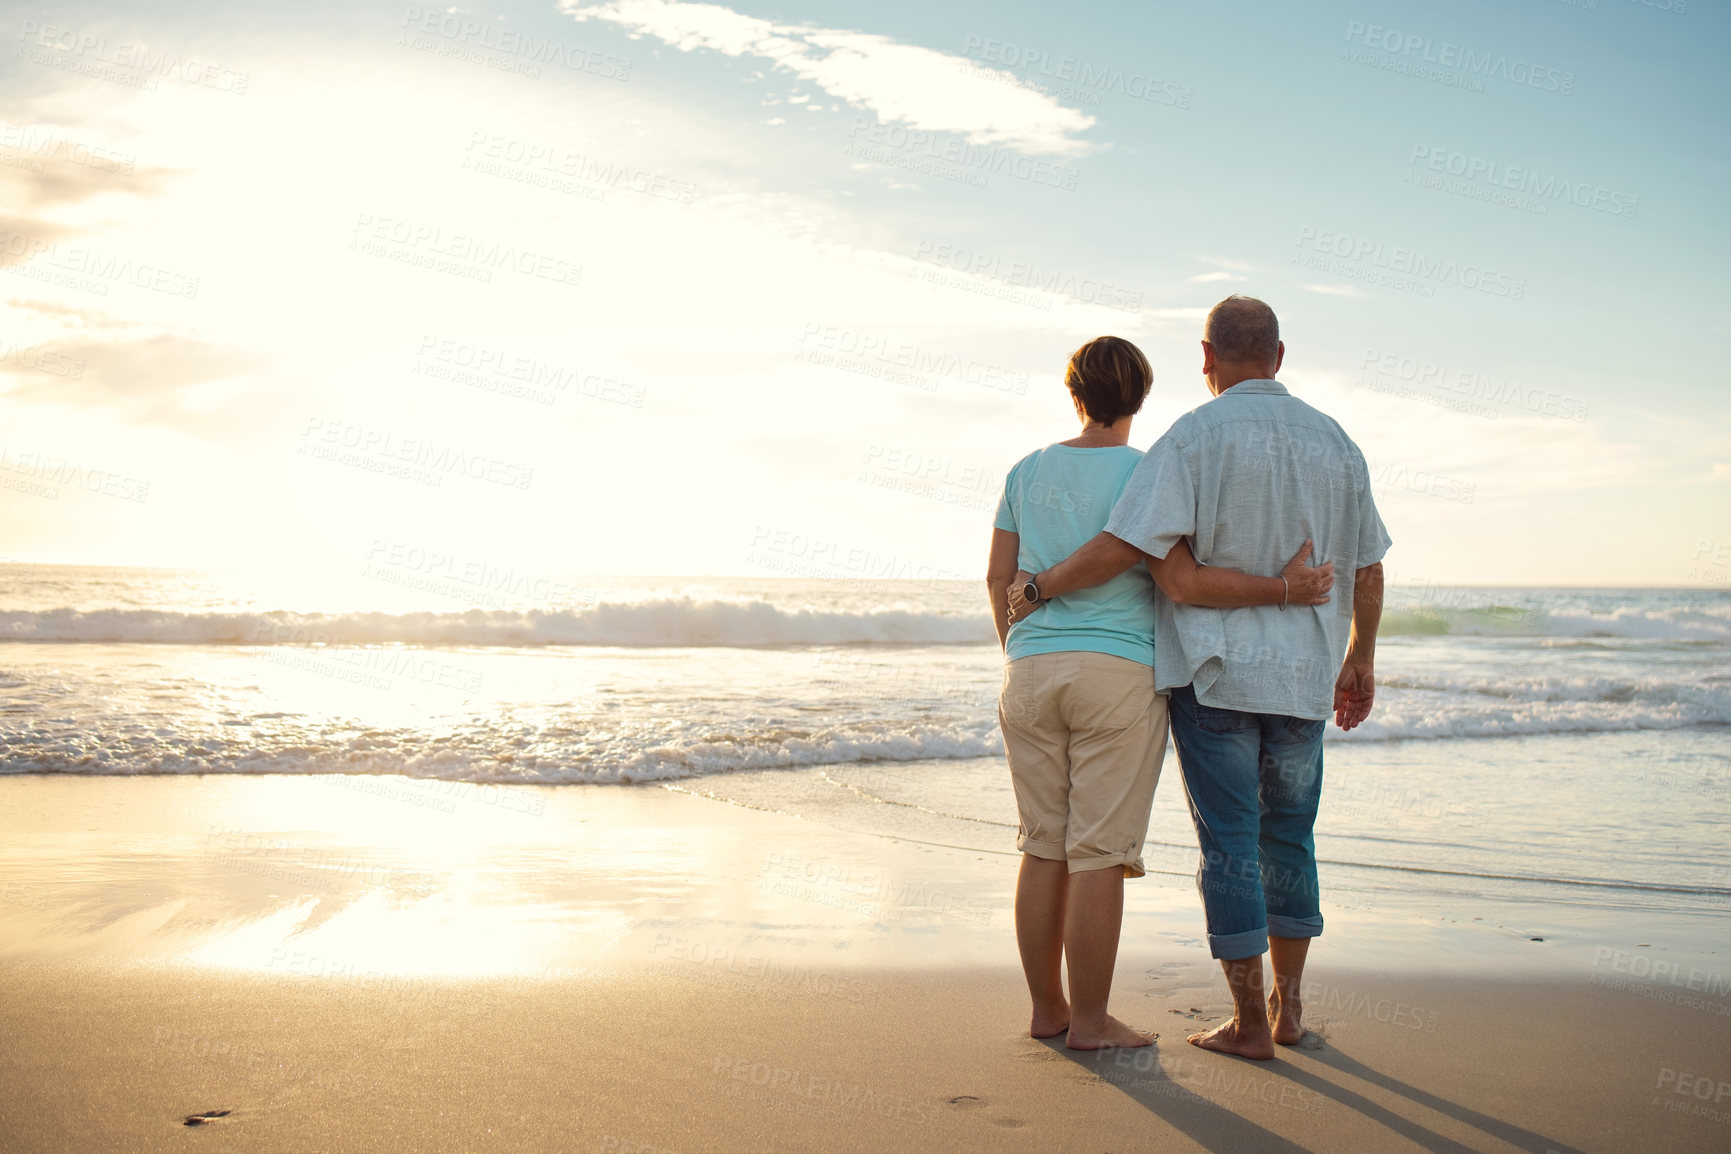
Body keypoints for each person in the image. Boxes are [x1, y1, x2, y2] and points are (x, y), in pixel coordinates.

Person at [1008, 297, 1391, 1060]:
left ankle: (1248, 1024)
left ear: (1207, 358)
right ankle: (1288, 1011)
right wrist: (1360, 657)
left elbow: (1157, 569)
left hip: (1214, 680)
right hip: (1302, 677)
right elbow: (1369, 564)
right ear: (1278, 357)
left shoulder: (1189, 438)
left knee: (1229, 848)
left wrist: (1036, 590)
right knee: (1290, 838)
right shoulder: (1337, 443)